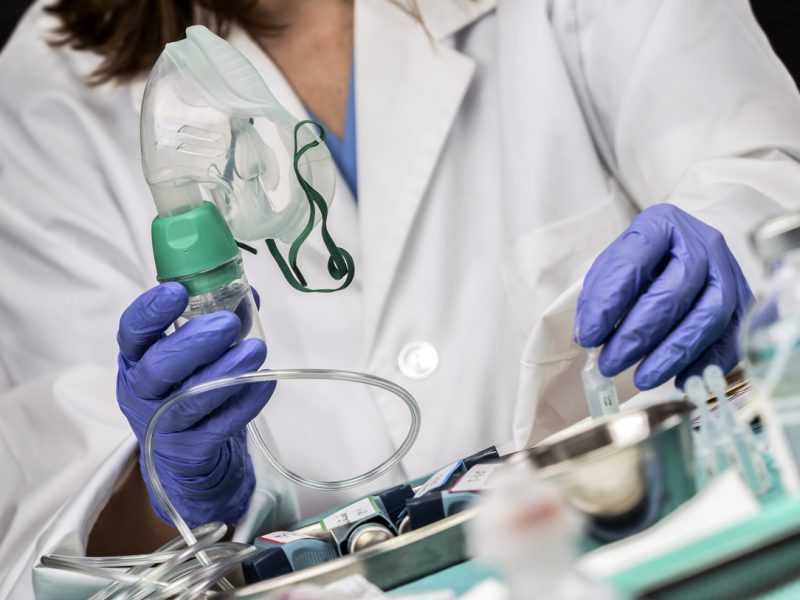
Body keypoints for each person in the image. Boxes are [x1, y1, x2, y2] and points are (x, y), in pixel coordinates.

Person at [2, 0, 800, 597]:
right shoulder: (46, 96)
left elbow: (762, 171)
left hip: (672, 552)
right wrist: (165, 494)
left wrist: (733, 248)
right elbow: (57, 536)